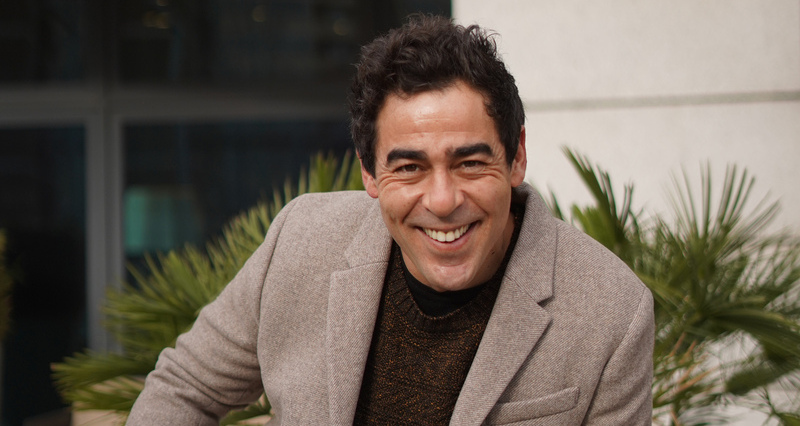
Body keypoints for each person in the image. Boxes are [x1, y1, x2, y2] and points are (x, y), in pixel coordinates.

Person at [128, 14, 654, 425]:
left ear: (516, 156)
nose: (442, 200)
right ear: (370, 173)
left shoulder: (611, 312)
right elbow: (184, 388)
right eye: (409, 168)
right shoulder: (301, 241)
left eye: (470, 163)